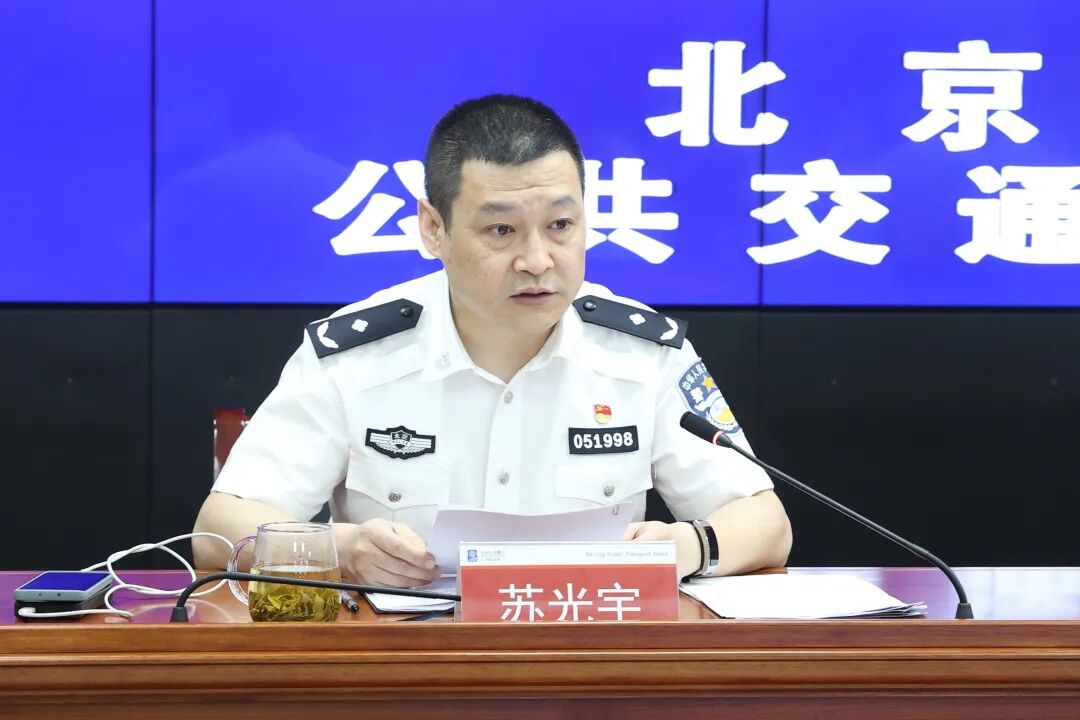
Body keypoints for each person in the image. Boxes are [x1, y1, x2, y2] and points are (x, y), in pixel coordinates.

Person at [193, 95, 791, 587]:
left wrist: (687, 546)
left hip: (589, 657)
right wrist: (340, 549)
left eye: (561, 225)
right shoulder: (356, 356)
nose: (537, 260)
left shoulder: (643, 352)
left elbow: (766, 522)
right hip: (405, 664)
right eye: (501, 230)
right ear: (434, 228)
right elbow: (219, 529)